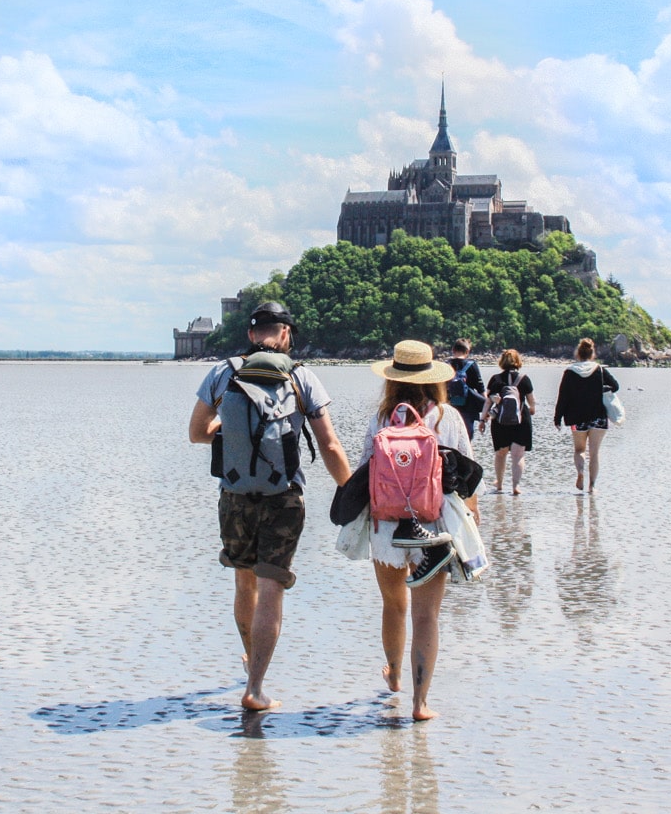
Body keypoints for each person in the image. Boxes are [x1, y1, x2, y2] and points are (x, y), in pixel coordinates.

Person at [188, 301, 351, 711]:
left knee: (243, 583)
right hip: (284, 498)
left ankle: (249, 665)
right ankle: (256, 687)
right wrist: (351, 493)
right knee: (271, 590)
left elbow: (196, 433)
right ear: (286, 334)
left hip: (235, 496)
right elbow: (329, 445)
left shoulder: (222, 372)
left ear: (250, 335)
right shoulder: (301, 377)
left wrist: (233, 434)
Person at [357, 339, 479, 721]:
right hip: (433, 528)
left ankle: (393, 675)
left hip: (387, 528)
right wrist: (473, 524)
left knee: (394, 605)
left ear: (392, 379)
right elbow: (468, 480)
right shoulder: (447, 417)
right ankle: (420, 703)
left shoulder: (381, 419)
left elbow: (364, 469)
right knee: (427, 616)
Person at [553, 337, 619, 493]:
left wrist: (557, 418)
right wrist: (599, 389)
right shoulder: (600, 370)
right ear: (592, 354)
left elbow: (563, 397)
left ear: (578, 354)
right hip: (598, 418)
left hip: (577, 418)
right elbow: (615, 386)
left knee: (579, 450)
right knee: (594, 452)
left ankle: (581, 472)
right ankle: (592, 486)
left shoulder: (569, 372)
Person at [483, 349, 535, 495]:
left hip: (500, 420)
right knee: (518, 456)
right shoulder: (524, 378)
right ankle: (515, 487)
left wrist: (483, 419)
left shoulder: (495, 379)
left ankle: (499, 485)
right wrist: (532, 409)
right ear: (518, 361)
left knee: (501, 453)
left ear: (502, 362)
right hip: (521, 419)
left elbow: (488, 401)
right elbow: (532, 401)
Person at [445, 339, 487, 439]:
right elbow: (481, 389)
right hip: (468, 409)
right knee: (466, 440)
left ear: (453, 350)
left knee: (450, 440)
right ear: (467, 351)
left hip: (449, 408)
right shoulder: (472, 365)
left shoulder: (446, 365)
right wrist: (486, 409)